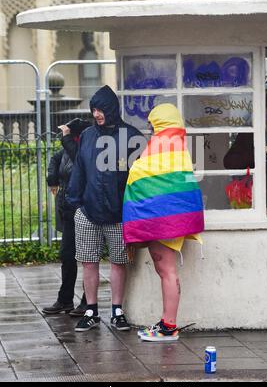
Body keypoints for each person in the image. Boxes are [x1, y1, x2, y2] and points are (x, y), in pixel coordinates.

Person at [123, 103, 205, 342]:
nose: (149, 128)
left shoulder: (159, 145)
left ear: (159, 123)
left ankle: (169, 327)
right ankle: (166, 322)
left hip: (161, 220)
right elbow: (181, 181)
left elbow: (140, 175)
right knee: (166, 270)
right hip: (172, 217)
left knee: (166, 270)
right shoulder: (179, 146)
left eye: (152, 123)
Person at [66, 85, 145, 332]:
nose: (97, 114)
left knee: (118, 262)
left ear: (112, 109)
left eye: (101, 109)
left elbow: (140, 176)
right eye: (94, 109)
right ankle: (91, 311)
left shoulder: (132, 136)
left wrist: (135, 208)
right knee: (88, 261)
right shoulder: (88, 135)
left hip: (120, 214)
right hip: (89, 212)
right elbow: (79, 169)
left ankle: (117, 311)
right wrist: (75, 202)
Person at [43, 118, 91, 316]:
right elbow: (56, 159)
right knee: (67, 255)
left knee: (89, 258)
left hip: (86, 210)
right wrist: (52, 177)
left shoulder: (85, 150)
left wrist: (67, 139)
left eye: (68, 134)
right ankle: (65, 300)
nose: (64, 137)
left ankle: (88, 303)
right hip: (68, 210)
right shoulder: (66, 151)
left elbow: (78, 159)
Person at [223, 94, 267, 215]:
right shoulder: (249, 134)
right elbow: (229, 161)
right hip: (249, 200)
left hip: (266, 199)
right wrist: (258, 152)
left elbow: (266, 162)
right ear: (262, 111)